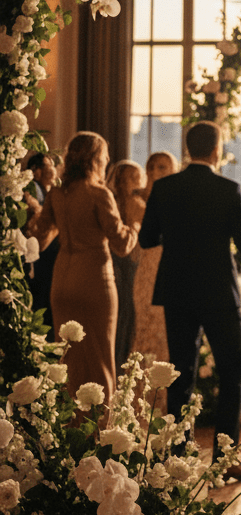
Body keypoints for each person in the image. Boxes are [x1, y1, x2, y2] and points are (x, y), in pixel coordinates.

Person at [138, 121, 241, 481]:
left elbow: (147, 239)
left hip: (177, 291)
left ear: (187, 149)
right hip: (218, 293)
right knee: (232, 371)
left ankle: (178, 457)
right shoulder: (228, 189)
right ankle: (225, 458)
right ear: (216, 150)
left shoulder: (164, 188)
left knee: (181, 373)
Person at [28, 132, 140, 411]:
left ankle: (69, 425)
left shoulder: (57, 194)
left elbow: (40, 239)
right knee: (99, 357)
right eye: (104, 156)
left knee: (68, 358)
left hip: (62, 281)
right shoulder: (98, 194)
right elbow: (122, 245)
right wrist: (135, 226)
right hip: (94, 281)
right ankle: (100, 427)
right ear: (95, 159)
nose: (107, 161)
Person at [132, 151, 178, 411]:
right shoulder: (138, 199)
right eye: (159, 167)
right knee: (145, 331)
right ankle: (139, 399)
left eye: (167, 168)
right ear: (149, 169)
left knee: (164, 336)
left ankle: (162, 402)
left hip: (168, 267)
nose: (162, 172)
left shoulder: (173, 198)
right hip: (147, 269)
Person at [105, 159, 147, 371]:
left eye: (137, 177)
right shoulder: (111, 202)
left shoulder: (136, 203)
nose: (136, 182)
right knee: (119, 313)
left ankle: (121, 359)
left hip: (132, 263)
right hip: (115, 262)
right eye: (131, 178)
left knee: (127, 314)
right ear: (119, 181)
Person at [23, 151, 59, 335]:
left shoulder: (47, 192)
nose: (54, 170)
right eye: (49, 166)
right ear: (35, 171)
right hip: (39, 257)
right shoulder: (33, 191)